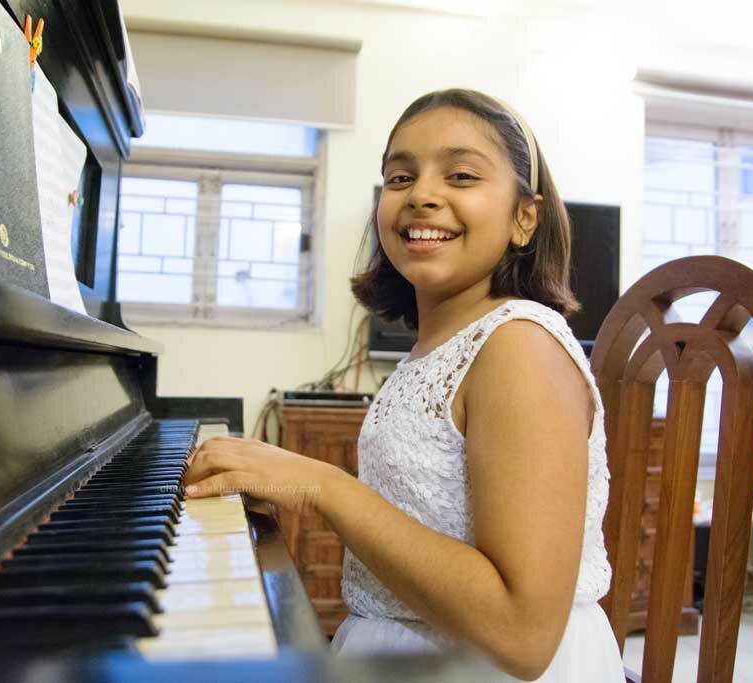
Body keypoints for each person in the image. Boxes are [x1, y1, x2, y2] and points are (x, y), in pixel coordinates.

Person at [183, 89, 624, 681]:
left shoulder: (520, 347)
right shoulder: (437, 349)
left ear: (525, 218)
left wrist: (322, 486)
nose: (421, 195)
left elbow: (523, 636)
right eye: (399, 177)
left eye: (462, 175)